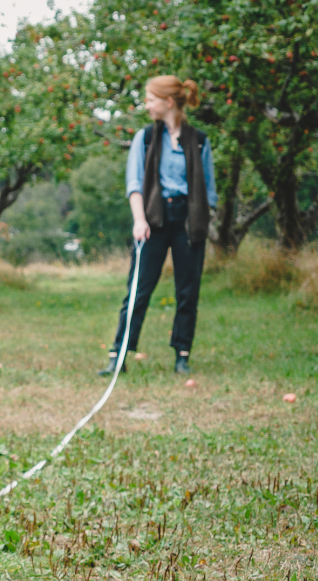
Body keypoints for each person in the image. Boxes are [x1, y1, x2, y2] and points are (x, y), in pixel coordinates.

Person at [98, 76, 217, 377]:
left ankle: (182, 355)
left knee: (187, 292)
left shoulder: (200, 140)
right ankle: (119, 355)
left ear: (168, 102)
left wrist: (201, 219)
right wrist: (139, 219)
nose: (146, 105)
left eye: (150, 99)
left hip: (187, 220)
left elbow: (209, 190)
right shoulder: (146, 138)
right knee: (138, 289)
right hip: (153, 218)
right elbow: (134, 182)